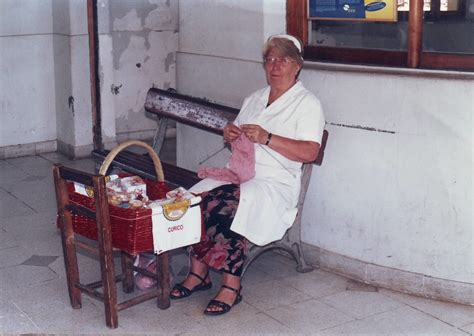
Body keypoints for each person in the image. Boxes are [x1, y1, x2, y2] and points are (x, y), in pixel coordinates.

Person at [170, 33, 326, 316]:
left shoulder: (307, 104)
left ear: (298, 66)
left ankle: (232, 286)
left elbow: (310, 152)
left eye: (284, 60)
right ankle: (199, 273)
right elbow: (239, 140)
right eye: (270, 60)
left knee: (224, 206)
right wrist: (230, 133)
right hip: (241, 173)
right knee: (193, 198)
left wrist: (268, 138)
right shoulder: (254, 99)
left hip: (274, 182)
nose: (276, 66)